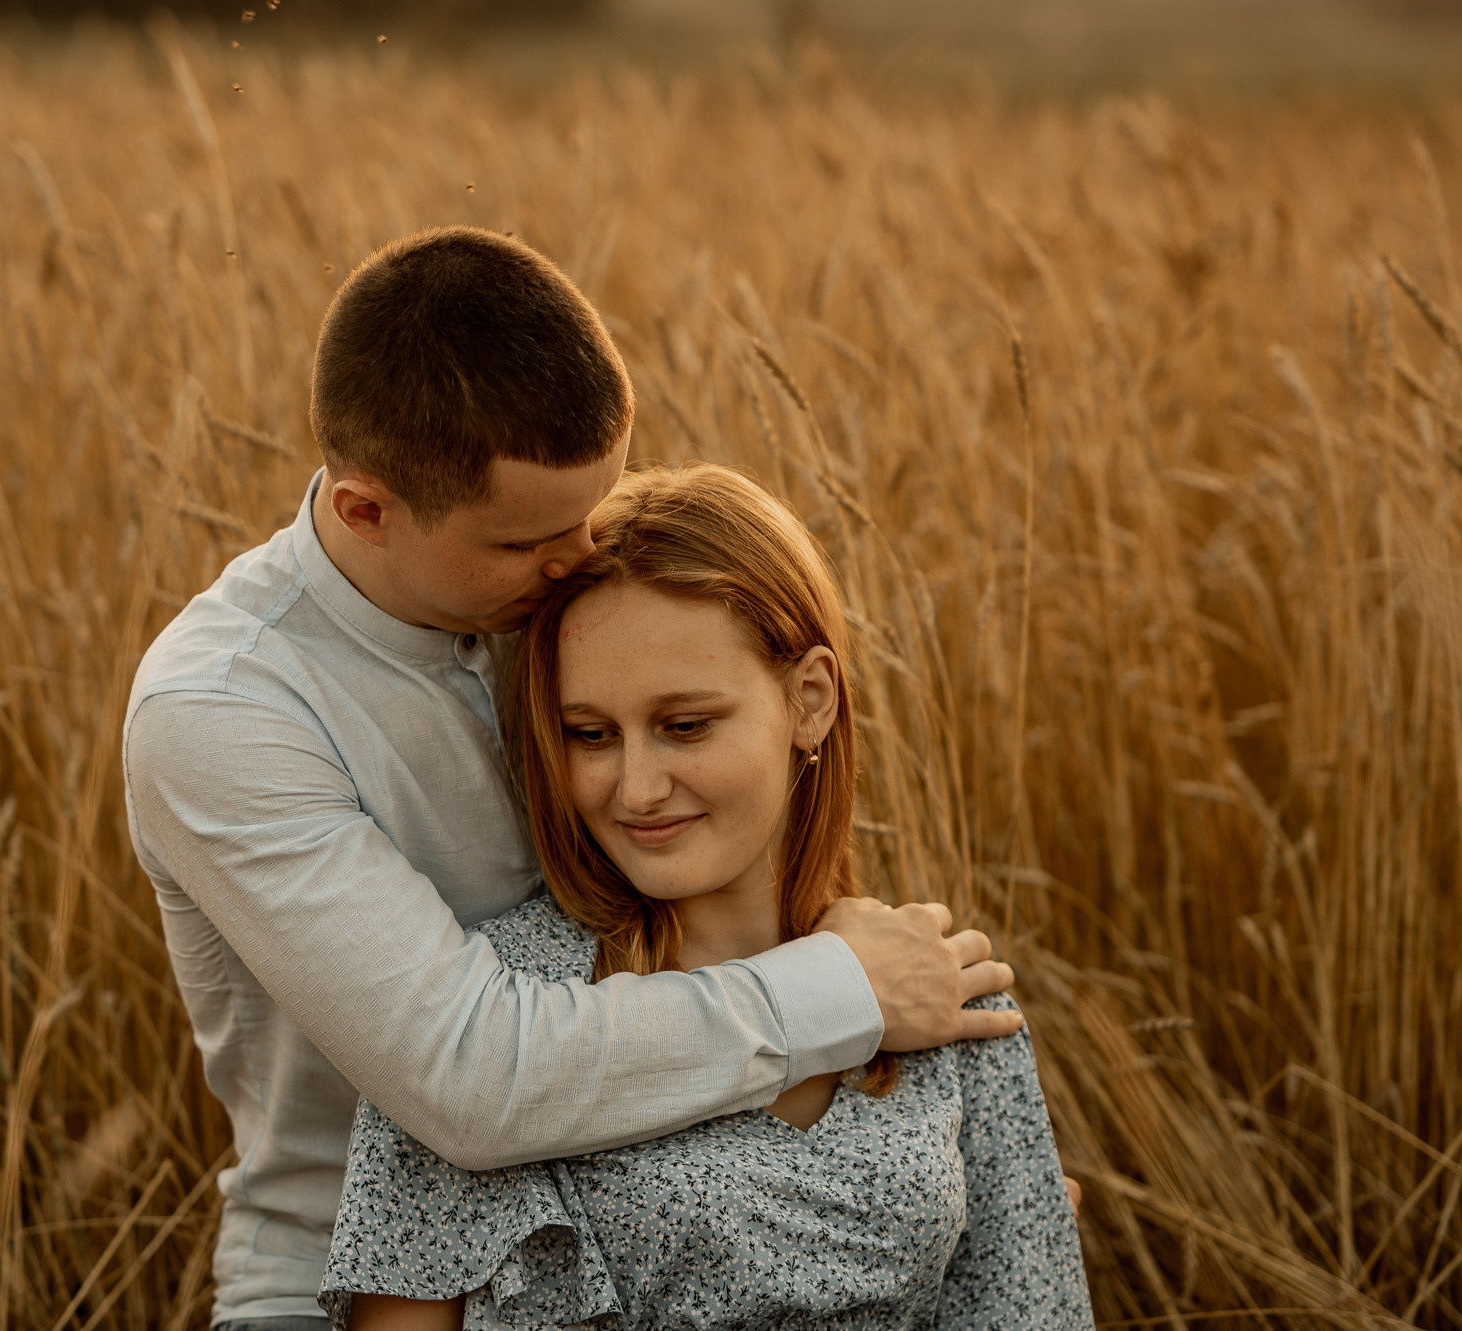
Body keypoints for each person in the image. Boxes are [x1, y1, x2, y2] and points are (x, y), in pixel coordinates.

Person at [123, 227, 1021, 1329]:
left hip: (696, 1200)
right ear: (366, 509)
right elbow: (465, 1077)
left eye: (587, 513)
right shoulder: (222, 712)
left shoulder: (549, 565)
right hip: (349, 1282)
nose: (577, 559)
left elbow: (731, 791)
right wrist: (844, 988)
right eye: (527, 544)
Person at [319, 463, 1093, 1330]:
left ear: (810, 700)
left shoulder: (945, 994)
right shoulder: (485, 1012)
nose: (638, 787)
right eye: (592, 734)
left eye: (685, 724)